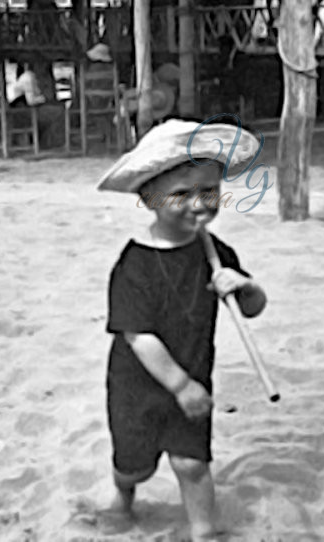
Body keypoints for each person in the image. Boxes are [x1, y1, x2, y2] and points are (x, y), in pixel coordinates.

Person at [96, 119, 268, 540]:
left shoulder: (214, 253)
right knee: (134, 463)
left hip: (194, 374)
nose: (198, 204)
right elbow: (139, 336)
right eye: (181, 194)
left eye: (209, 192)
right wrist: (179, 385)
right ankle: (123, 495)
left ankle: (204, 531)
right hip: (140, 383)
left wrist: (246, 288)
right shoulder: (134, 265)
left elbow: (251, 309)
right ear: (149, 199)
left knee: (192, 463)